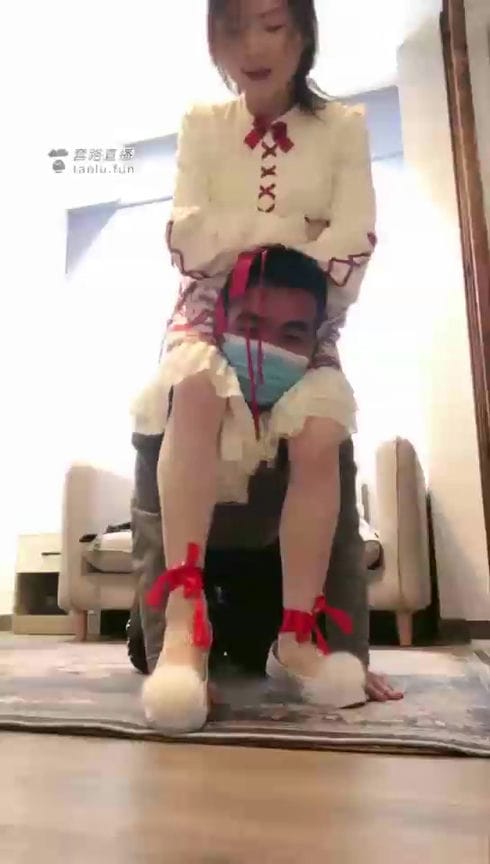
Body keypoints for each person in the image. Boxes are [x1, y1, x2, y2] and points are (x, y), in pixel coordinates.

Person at [131, 0, 402, 733]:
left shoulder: (343, 127)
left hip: (301, 323)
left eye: (273, 25)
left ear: (303, 32)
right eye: (232, 27)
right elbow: (185, 243)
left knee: (320, 432)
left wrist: (240, 237)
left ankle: (299, 635)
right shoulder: (202, 123)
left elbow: (351, 255)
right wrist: (296, 232)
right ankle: (185, 626)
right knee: (193, 390)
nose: (252, 45)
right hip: (209, 316)